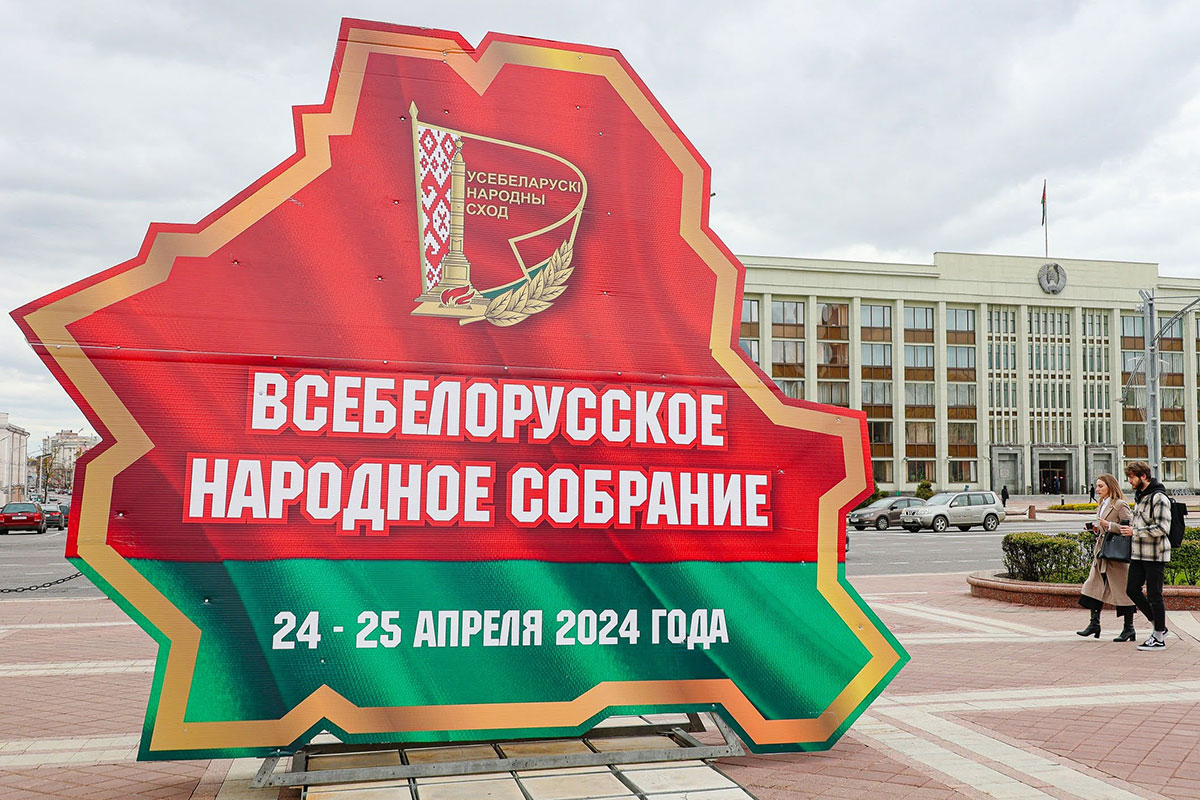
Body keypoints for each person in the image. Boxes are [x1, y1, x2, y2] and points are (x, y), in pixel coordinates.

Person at [1120, 461, 1172, 650]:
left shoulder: (1159, 498)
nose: (1129, 480)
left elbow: (1163, 528)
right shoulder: (1141, 496)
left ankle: (1158, 638)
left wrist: (1135, 532)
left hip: (1155, 554)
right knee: (1132, 589)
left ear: (1143, 476)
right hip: (1139, 553)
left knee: (1154, 595)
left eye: (1132, 477)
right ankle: (1159, 626)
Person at [1076, 474, 1135, 641]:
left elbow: (1129, 527)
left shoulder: (1120, 504)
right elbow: (1104, 528)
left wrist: (1109, 526)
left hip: (1116, 555)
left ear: (1110, 486)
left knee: (1122, 591)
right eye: (1097, 486)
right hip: (1102, 553)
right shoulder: (1102, 503)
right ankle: (1094, 624)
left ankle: (1129, 628)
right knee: (1093, 587)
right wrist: (1097, 529)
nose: (1098, 489)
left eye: (1101, 486)